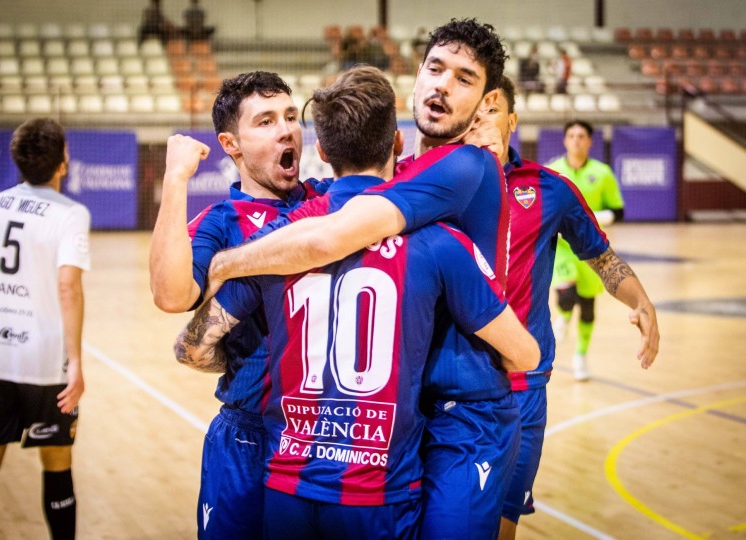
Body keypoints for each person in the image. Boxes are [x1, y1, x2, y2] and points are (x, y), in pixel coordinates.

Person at [175, 65, 539, 539]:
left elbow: (191, 346)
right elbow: (524, 355)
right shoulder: (438, 240)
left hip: (289, 480)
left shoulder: (271, 245)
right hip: (379, 490)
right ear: (397, 145)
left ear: (322, 152)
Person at [149, 71, 330, 539]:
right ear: (231, 144)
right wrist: (175, 178)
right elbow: (171, 295)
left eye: (291, 116)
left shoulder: (329, 202)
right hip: (248, 433)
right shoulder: (221, 222)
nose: (287, 129)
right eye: (266, 121)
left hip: (326, 434)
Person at [482, 78, 659, 539]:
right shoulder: (431, 183)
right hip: (453, 389)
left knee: (504, 522)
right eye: (474, 110)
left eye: (493, 109)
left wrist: (641, 300)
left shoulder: (550, 189)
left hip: (524, 387)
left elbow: (602, 258)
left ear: (512, 121)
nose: (482, 119)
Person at [0, 118, 89, 540]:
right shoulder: (71, 213)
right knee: (57, 461)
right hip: (45, 362)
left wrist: (4, 320)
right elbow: (68, 286)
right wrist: (76, 361)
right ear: (63, 161)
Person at [547, 120, 626, 381]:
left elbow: (618, 211)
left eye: (582, 136)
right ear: (564, 140)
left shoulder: (602, 173)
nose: (576, 140)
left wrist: (594, 219)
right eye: (571, 135)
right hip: (562, 248)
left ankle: (581, 356)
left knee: (588, 307)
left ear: (590, 141)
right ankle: (563, 316)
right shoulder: (553, 171)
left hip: (591, 249)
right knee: (567, 295)